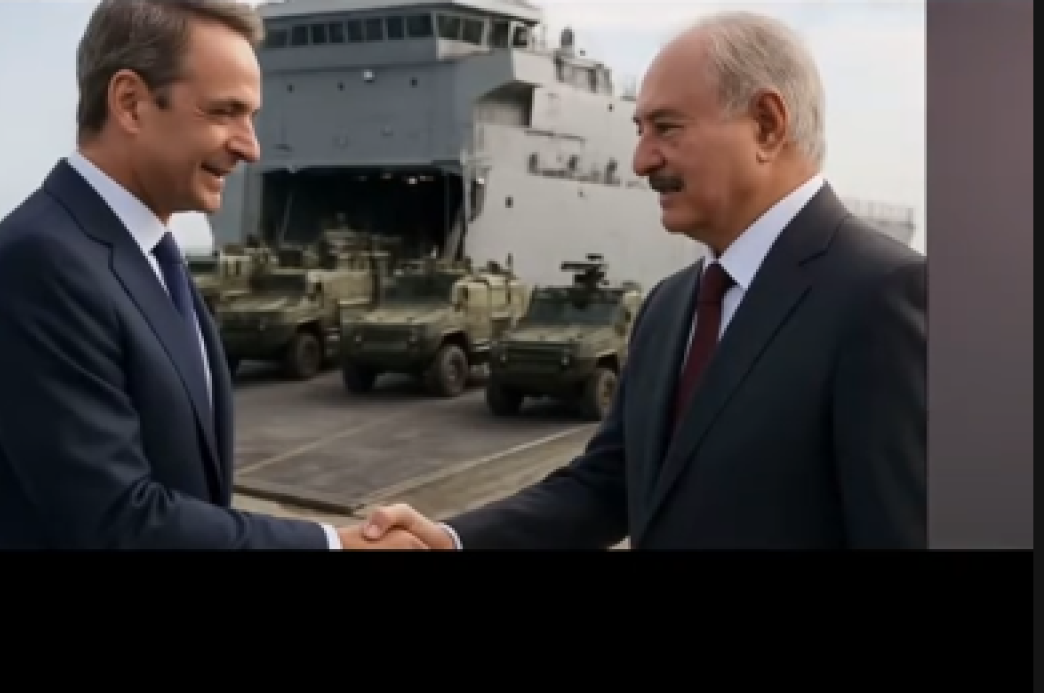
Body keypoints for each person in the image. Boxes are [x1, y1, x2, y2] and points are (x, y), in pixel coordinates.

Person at [362, 11, 926, 550]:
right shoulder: (671, 304)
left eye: (667, 128)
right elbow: (610, 483)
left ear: (766, 125)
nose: (641, 161)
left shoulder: (883, 297)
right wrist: (453, 541)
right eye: (640, 130)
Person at [0, 0, 424, 550]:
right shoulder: (41, 265)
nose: (250, 146)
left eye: (251, 116)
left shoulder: (147, 257)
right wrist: (335, 547)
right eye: (224, 112)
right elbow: (116, 522)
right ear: (130, 104)